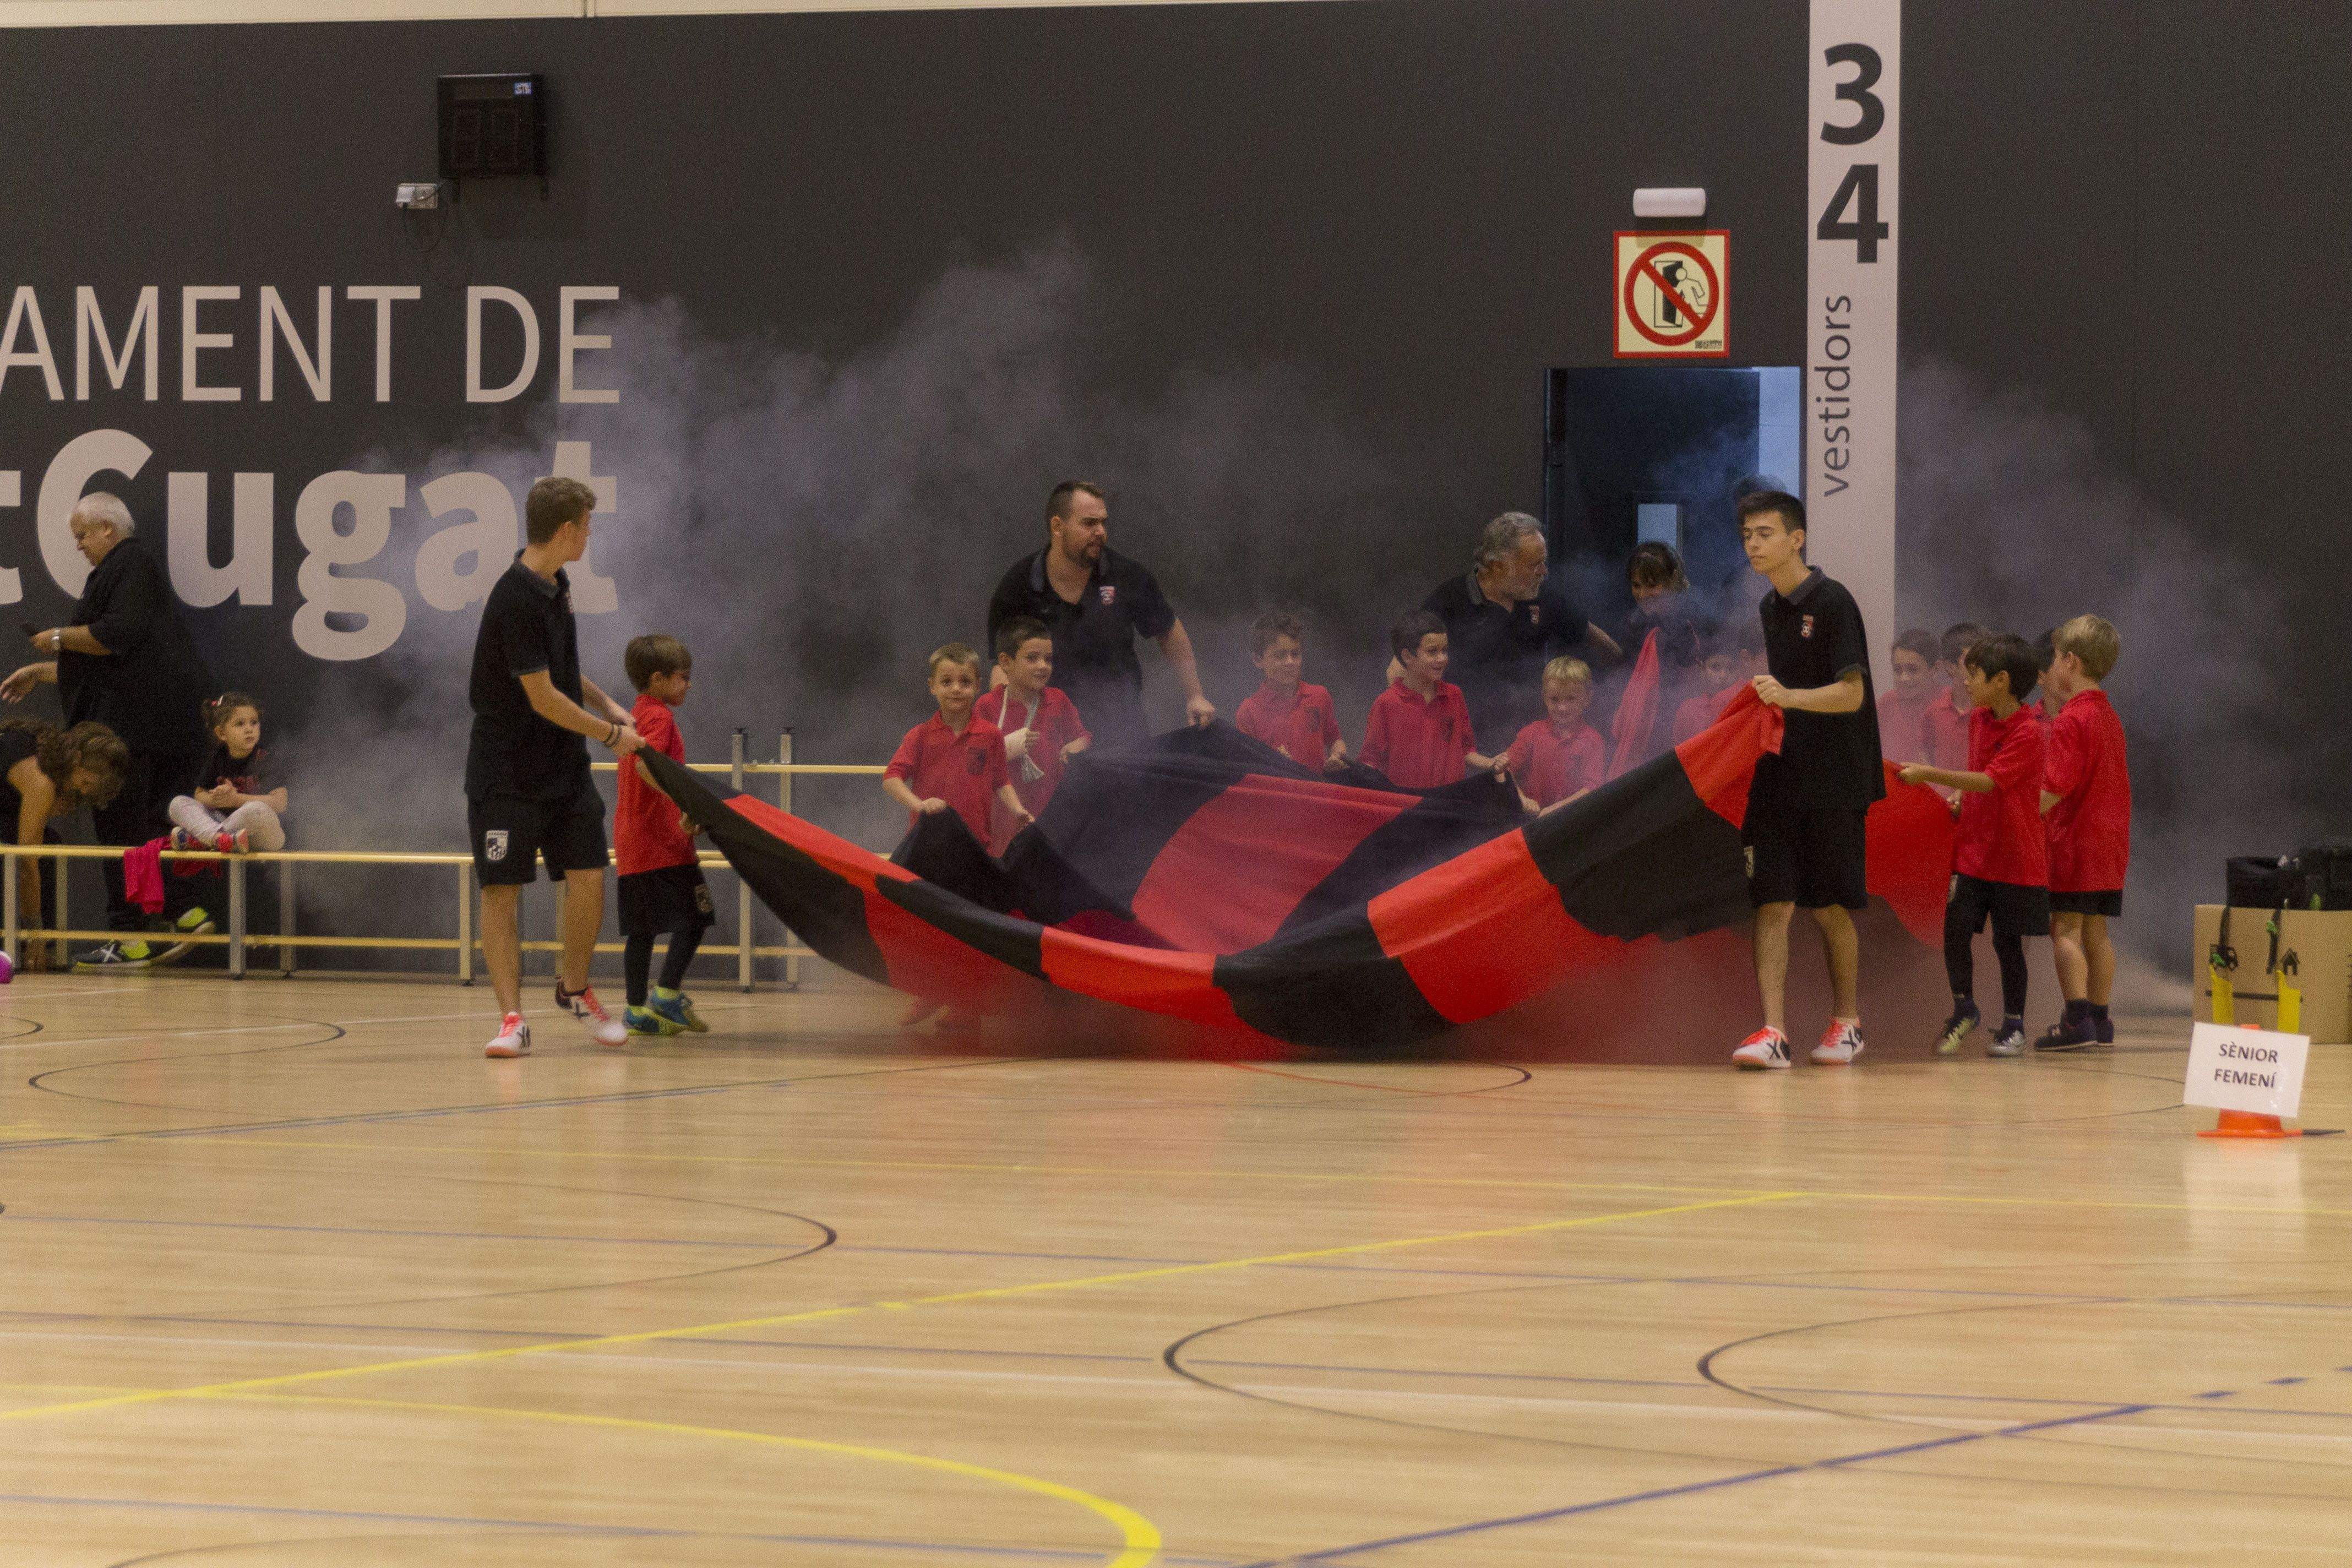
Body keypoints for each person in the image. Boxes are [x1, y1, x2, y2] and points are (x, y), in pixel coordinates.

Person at [2, 493, 217, 971]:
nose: (78, 546)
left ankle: (129, 936)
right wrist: (42, 670)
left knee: (120, 831)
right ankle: (179, 913)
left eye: (82, 534)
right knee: (155, 830)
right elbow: (111, 661)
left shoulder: (129, 564)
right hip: (165, 729)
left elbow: (113, 635)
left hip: (131, 736)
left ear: (108, 530)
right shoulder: (137, 582)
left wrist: (57, 637)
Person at [467, 476, 643, 1059]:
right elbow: (542, 697)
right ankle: (512, 1019)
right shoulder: (514, 598)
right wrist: (612, 734)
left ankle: (575, 987)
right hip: (507, 774)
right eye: (588, 526)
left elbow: (563, 671)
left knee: (590, 876)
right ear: (567, 530)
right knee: (502, 891)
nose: (590, 536)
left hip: (563, 770)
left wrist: (607, 702)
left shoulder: (555, 584)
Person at [1729, 491, 1885, 1070]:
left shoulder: (1834, 601)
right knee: (1771, 901)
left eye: (1765, 533)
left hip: (1836, 778)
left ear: (1797, 539)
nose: (1754, 544)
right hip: (1779, 773)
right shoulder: (1772, 608)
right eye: (1747, 534)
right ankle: (1773, 1031)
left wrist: (1791, 697)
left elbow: (1853, 694)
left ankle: (1848, 1023)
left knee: (1829, 904)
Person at [1899, 634, 2050, 1059]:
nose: (1966, 683)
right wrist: (1962, 798)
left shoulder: (2029, 734)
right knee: (1955, 930)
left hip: (2014, 855)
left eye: (1976, 675)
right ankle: (1965, 1007)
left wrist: (1932, 773)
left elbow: (1990, 780)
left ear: (2002, 681)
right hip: (1972, 850)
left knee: (2007, 943)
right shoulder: (1981, 719)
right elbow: (1978, 776)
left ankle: (2014, 1025)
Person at [986, 481, 1214, 751]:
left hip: (1122, 726)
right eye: (1089, 524)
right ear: (1058, 527)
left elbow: (1169, 632)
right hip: (1051, 733)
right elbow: (1002, 667)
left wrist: (1196, 695)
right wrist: (1006, 730)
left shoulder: (1127, 576)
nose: (1100, 532)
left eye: (1103, 523)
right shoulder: (1017, 586)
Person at [1413, 512, 1619, 750]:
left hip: (1531, 743)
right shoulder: (1449, 602)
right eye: (1534, 565)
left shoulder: (1543, 600)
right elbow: (1399, 671)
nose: (1544, 572)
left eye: (1544, 562)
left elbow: (1602, 645)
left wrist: (1627, 695)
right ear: (1498, 567)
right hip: (1465, 744)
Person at [2035, 615, 2131, 1051]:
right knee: (2098, 931)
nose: (2053, 666)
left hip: (2076, 841)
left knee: (2066, 929)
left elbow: (2054, 788)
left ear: (2070, 662)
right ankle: (2101, 1018)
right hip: (2111, 842)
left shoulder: (2072, 719)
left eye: (2055, 657)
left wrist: (2013, 812)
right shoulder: (2109, 715)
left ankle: (2076, 1020)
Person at [614, 634, 714, 1039]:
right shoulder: (660, 718)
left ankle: (638, 1008)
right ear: (657, 679)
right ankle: (665, 996)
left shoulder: (636, 715)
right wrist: (686, 804)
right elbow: (645, 767)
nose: (688, 685)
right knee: (696, 917)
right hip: (662, 843)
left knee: (643, 930)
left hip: (635, 842)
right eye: (682, 677)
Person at [0, 718, 128, 973]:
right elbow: (27, 862)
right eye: (84, 785)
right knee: (29, 854)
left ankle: (43, 945)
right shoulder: (41, 782)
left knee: (49, 846)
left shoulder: (49, 753)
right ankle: (36, 943)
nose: (79, 793)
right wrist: (35, 934)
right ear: (77, 759)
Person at [884, 643, 1034, 848]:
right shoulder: (919, 735)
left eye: (965, 682)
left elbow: (1001, 781)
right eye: (946, 682)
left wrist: (1018, 810)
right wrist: (919, 805)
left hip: (975, 843)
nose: (956, 689)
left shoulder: (991, 735)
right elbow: (892, 778)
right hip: (926, 842)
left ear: (978, 685)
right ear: (932, 686)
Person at [975, 617, 1090, 850]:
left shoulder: (1058, 701)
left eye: (1048, 659)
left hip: (1052, 818)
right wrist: (1004, 749)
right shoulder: (987, 706)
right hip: (1003, 823)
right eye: (1032, 658)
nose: (1042, 666)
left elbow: (1084, 737)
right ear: (1006, 662)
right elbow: (970, 765)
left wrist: (1076, 746)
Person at [1362, 611, 1497, 790]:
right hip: (1408, 808)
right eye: (1433, 652)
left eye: (1444, 651)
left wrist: (1492, 764)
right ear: (1407, 657)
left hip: (1450, 804)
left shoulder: (1454, 696)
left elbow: (1466, 750)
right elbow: (1370, 761)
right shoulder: (1387, 703)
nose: (1442, 658)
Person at [168, 693, 287, 853]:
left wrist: (235, 799)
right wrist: (216, 799)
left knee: (258, 809)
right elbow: (199, 795)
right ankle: (220, 840)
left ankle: (205, 841)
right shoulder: (218, 756)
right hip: (229, 832)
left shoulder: (265, 758)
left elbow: (280, 804)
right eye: (240, 724)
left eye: (254, 723)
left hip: (263, 835)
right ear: (222, 733)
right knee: (178, 803)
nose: (249, 729)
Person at [1234, 612, 1346, 772]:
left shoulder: (1319, 696)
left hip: (1318, 793)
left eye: (1295, 654)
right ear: (1258, 660)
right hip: (1277, 796)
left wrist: (1337, 755)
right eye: (1280, 656)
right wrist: (1271, 763)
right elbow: (1245, 770)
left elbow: (1335, 739)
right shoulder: (1249, 711)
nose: (1290, 662)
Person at [1506, 657, 1605, 812]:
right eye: (1554, 699)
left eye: (1571, 699)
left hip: (1572, 820)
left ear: (1587, 698)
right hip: (1531, 819)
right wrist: (1522, 799)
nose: (1562, 708)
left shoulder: (1593, 741)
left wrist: (1555, 811)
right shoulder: (1531, 733)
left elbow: (1592, 788)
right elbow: (1506, 770)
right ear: (1545, 698)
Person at [1923, 622, 1985, 771]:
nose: (1982, 668)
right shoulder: (1934, 712)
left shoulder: (1991, 712)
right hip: (1942, 794)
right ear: (1950, 667)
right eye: (1972, 663)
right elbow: (1925, 754)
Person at [1877, 629, 1941, 766]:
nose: (1904, 678)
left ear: (1935, 669)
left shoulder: (1948, 704)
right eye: (1897, 670)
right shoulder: (1887, 702)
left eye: (1912, 670)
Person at [1672, 628, 1747, 744]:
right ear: (1703, 669)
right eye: (1715, 668)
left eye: (1730, 669)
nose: (1723, 675)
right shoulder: (1688, 710)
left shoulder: (1745, 704)